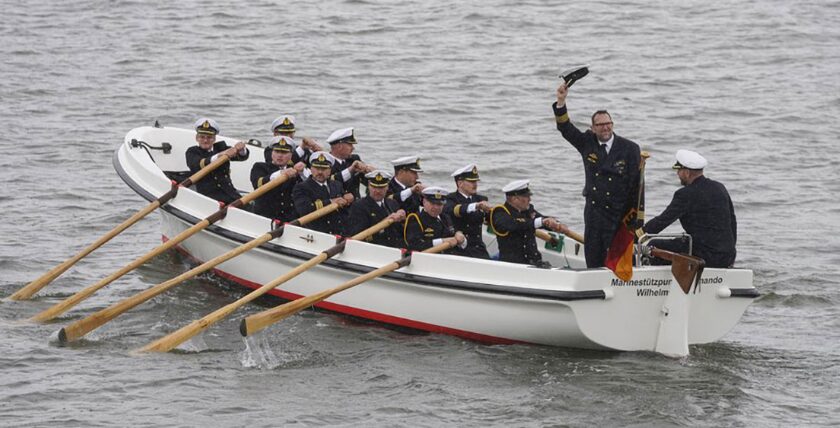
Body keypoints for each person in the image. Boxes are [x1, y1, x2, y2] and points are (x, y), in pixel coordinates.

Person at [553, 82, 641, 268]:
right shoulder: (587, 142)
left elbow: (636, 187)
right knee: (594, 259)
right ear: (593, 128)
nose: (605, 128)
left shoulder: (629, 148)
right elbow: (565, 128)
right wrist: (561, 101)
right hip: (594, 214)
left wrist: (635, 220)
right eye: (600, 125)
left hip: (619, 215)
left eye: (608, 124)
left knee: (619, 264)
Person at [640, 150, 737, 268]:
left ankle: (652, 278)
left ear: (687, 173)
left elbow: (662, 221)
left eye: (679, 170)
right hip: (727, 256)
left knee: (655, 245)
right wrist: (731, 251)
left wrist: (638, 235)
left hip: (704, 255)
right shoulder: (719, 187)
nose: (677, 174)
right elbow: (732, 221)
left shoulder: (685, 194)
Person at [490, 179, 569, 268]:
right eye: (526, 196)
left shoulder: (528, 211)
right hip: (513, 265)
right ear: (514, 198)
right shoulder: (500, 212)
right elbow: (515, 225)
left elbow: (542, 220)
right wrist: (541, 222)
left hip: (534, 262)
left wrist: (557, 225)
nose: (530, 199)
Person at [185, 117, 250, 204]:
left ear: (214, 139)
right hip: (209, 198)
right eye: (202, 137)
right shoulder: (192, 151)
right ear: (197, 138)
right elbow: (197, 164)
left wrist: (241, 150)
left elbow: (241, 157)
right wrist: (219, 156)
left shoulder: (221, 148)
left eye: (209, 137)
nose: (205, 140)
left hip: (231, 194)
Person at [291, 151, 354, 235]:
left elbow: (345, 212)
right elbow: (304, 209)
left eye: (324, 169)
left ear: (330, 170)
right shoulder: (301, 187)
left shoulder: (337, 185)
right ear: (311, 169)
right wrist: (330, 202)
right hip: (314, 233)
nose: (320, 172)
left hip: (337, 233)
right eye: (317, 168)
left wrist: (348, 201)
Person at [249, 136, 306, 222]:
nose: (280, 155)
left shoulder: (294, 172)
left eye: (284, 152)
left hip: (289, 219)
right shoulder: (260, 167)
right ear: (272, 153)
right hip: (265, 217)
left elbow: (309, 188)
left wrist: (303, 173)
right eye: (277, 151)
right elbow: (258, 184)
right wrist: (281, 173)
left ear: (291, 155)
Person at [346, 170, 407, 247]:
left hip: (395, 248)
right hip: (372, 248)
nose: (377, 191)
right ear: (369, 185)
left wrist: (403, 220)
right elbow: (357, 236)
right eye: (374, 187)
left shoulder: (393, 204)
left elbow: (401, 232)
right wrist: (385, 222)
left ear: (387, 187)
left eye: (381, 187)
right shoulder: (359, 206)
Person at [444, 164, 491, 259]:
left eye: (476, 181)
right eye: (471, 181)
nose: (475, 184)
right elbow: (455, 210)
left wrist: (491, 211)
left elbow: (489, 220)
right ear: (460, 183)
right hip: (459, 248)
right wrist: (476, 206)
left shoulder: (481, 198)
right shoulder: (450, 199)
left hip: (478, 247)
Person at [403, 186, 466, 253]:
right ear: (424, 202)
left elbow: (456, 236)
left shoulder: (446, 218)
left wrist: (462, 239)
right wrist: (442, 241)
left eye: (439, 204)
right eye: (432, 203)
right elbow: (414, 245)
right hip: (427, 257)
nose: (436, 207)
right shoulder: (415, 219)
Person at [325, 127, 372, 199]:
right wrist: (350, 170)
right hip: (339, 203)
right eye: (350, 145)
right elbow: (331, 181)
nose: (353, 148)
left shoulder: (354, 159)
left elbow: (368, 182)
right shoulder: (325, 163)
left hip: (357, 203)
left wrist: (370, 172)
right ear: (340, 146)